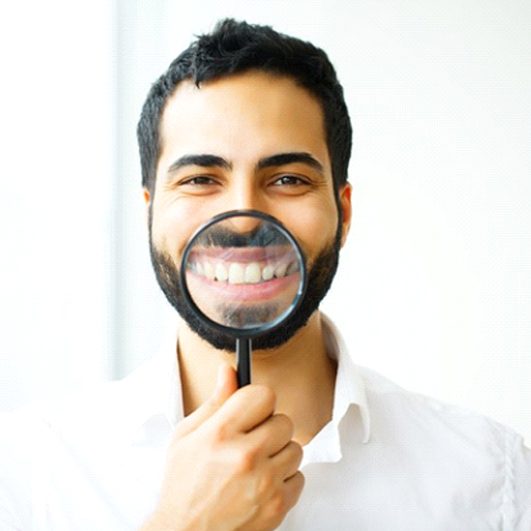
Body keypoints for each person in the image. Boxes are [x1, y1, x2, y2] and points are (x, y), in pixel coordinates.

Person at [1, 18, 530, 531]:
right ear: (149, 211)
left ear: (343, 213)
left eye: (287, 178)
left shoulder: (493, 479)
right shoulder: (30, 473)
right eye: (201, 178)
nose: (246, 216)